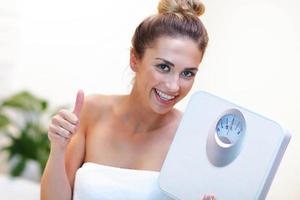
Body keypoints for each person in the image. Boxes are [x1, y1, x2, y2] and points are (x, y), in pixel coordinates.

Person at [41, 0, 215, 199]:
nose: (174, 86)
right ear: (135, 59)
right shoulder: (92, 112)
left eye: (187, 73)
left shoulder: (189, 137)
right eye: (164, 67)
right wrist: (58, 148)